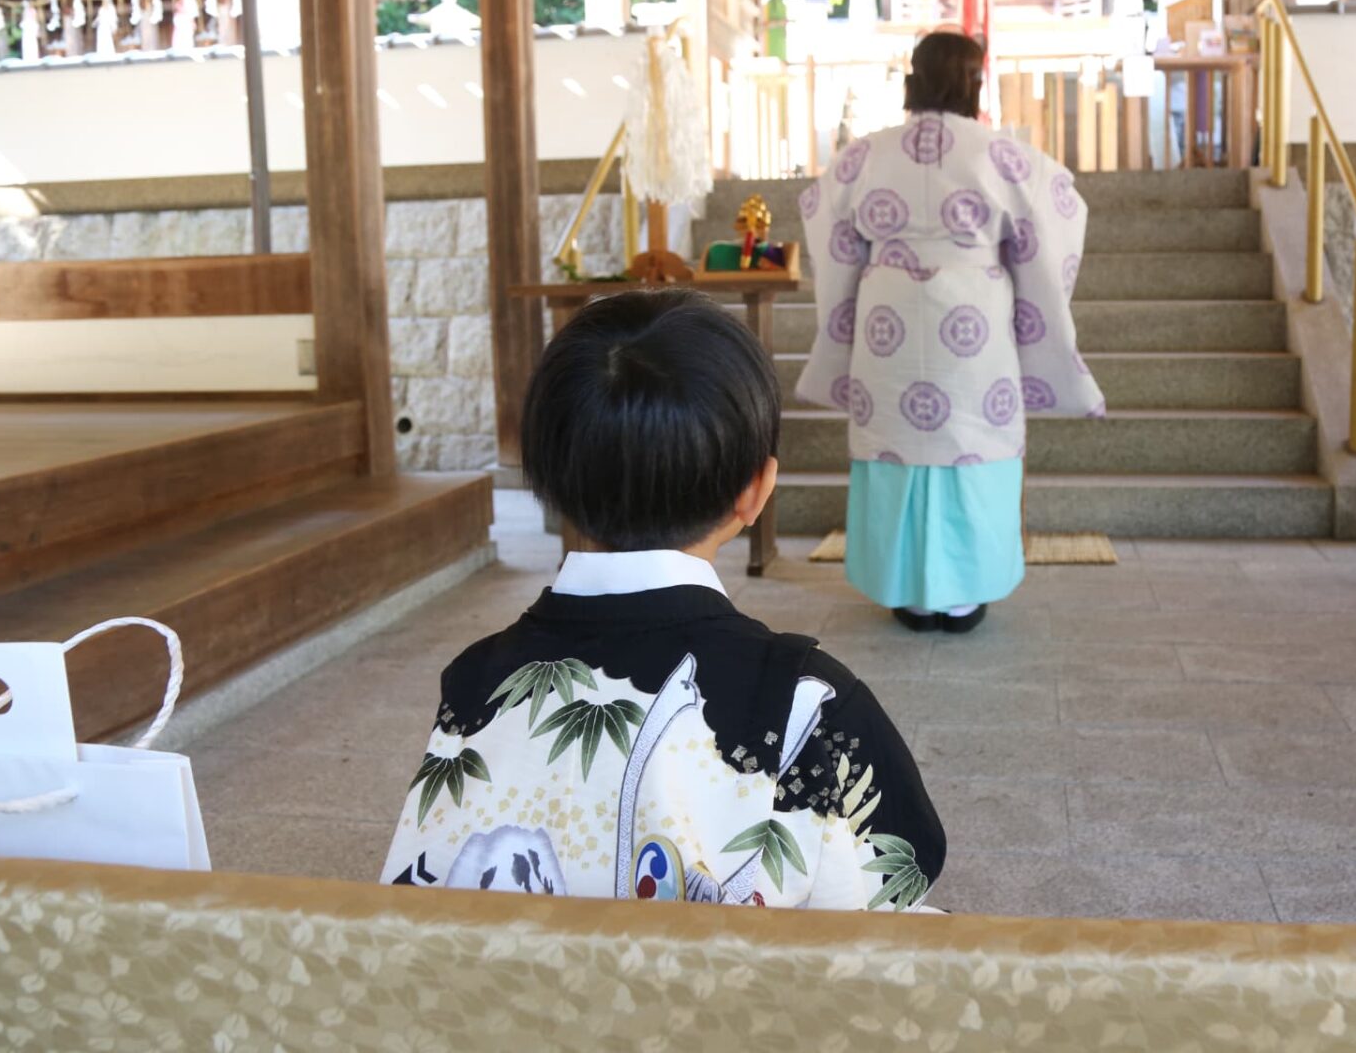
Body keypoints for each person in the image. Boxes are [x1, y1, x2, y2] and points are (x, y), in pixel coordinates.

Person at [380, 290, 945, 912]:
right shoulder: (808, 702)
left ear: (548, 481)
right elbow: (902, 874)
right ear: (756, 492)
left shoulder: (474, 681)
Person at [796, 31, 1104, 634]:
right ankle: (964, 596)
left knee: (896, 447)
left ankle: (906, 592)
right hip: (973, 322)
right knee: (974, 443)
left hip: (888, 319)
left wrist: (848, 303)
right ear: (973, 81)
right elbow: (1060, 209)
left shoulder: (866, 154)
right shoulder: (1002, 154)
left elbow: (826, 225)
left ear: (913, 77)